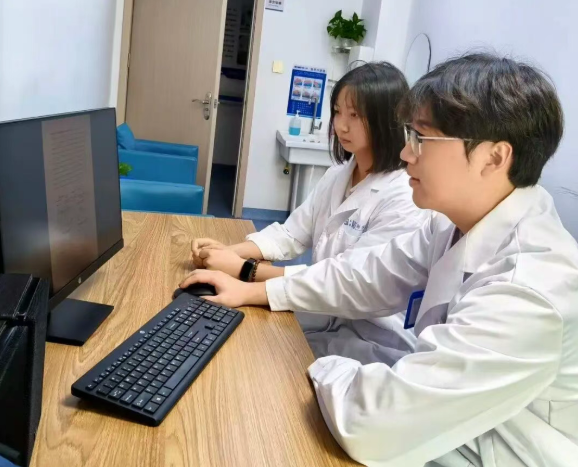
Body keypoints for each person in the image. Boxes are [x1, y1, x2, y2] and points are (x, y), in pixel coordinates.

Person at [181, 53, 578, 466]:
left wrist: (318, 364)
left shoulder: (529, 290)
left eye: (422, 139)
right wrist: (254, 291)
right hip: (435, 426)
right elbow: (367, 275)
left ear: (493, 158)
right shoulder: (450, 223)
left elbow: (372, 424)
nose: (407, 153)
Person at [192, 62, 428, 364]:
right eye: (338, 112)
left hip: (370, 339)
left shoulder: (403, 195)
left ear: (387, 119)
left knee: (257, 359)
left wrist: (244, 269)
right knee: (239, 339)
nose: (341, 126)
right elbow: (292, 234)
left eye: (355, 115)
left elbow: (347, 281)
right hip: (321, 310)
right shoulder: (338, 174)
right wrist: (228, 251)